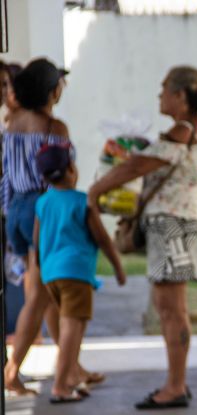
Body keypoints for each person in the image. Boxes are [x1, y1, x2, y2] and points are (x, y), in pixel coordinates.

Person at [89, 66, 197, 409]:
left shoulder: (182, 130)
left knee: (171, 310)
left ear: (181, 96)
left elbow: (135, 166)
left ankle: (175, 386)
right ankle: (176, 382)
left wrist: (96, 189)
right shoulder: (194, 131)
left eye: (163, 89)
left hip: (172, 226)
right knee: (171, 308)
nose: (159, 96)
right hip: (179, 225)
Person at [33, 143, 126, 402]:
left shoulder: (43, 202)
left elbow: (37, 240)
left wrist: (42, 269)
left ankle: (72, 376)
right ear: (72, 169)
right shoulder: (83, 201)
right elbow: (103, 238)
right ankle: (61, 386)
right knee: (72, 329)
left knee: (73, 327)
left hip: (51, 272)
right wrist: (118, 268)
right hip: (75, 272)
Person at [2, 58, 71, 396]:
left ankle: (69, 367)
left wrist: (11, 214)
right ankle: (12, 371)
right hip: (43, 212)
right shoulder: (53, 128)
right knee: (39, 297)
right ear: (51, 90)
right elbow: (61, 179)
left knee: (43, 293)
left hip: (16, 211)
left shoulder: (12, 125)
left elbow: (6, 179)